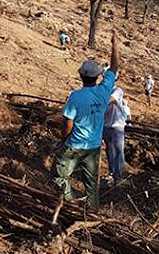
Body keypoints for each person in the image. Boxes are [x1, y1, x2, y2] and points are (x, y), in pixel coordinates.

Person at [52, 33, 120, 211]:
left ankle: (69, 202)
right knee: (91, 183)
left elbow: (67, 123)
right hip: (94, 146)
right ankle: (91, 210)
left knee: (59, 175)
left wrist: (64, 140)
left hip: (75, 144)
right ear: (98, 76)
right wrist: (115, 45)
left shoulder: (75, 96)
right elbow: (114, 67)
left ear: (81, 76)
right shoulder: (104, 91)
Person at [103, 86, 130, 188]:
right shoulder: (101, 90)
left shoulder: (117, 90)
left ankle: (118, 178)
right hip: (105, 125)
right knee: (109, 150)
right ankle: (112, 172)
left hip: (117, 126)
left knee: (119, 151)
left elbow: (111, 99)